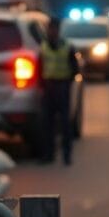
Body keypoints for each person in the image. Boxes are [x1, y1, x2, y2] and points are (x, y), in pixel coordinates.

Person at [38, 17, 79, 165]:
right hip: (48, 89)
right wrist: (41, 87)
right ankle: (48, 155)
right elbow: (39, 69)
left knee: (65, 124)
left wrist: (66, 83)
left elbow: (75, 69)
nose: (52, 32)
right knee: (47, 124)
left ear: (58, 30)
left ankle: (67, 156)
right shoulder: (43, 48)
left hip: (62, 88)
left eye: (54, 29)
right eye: (50, 29)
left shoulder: (68, 47)